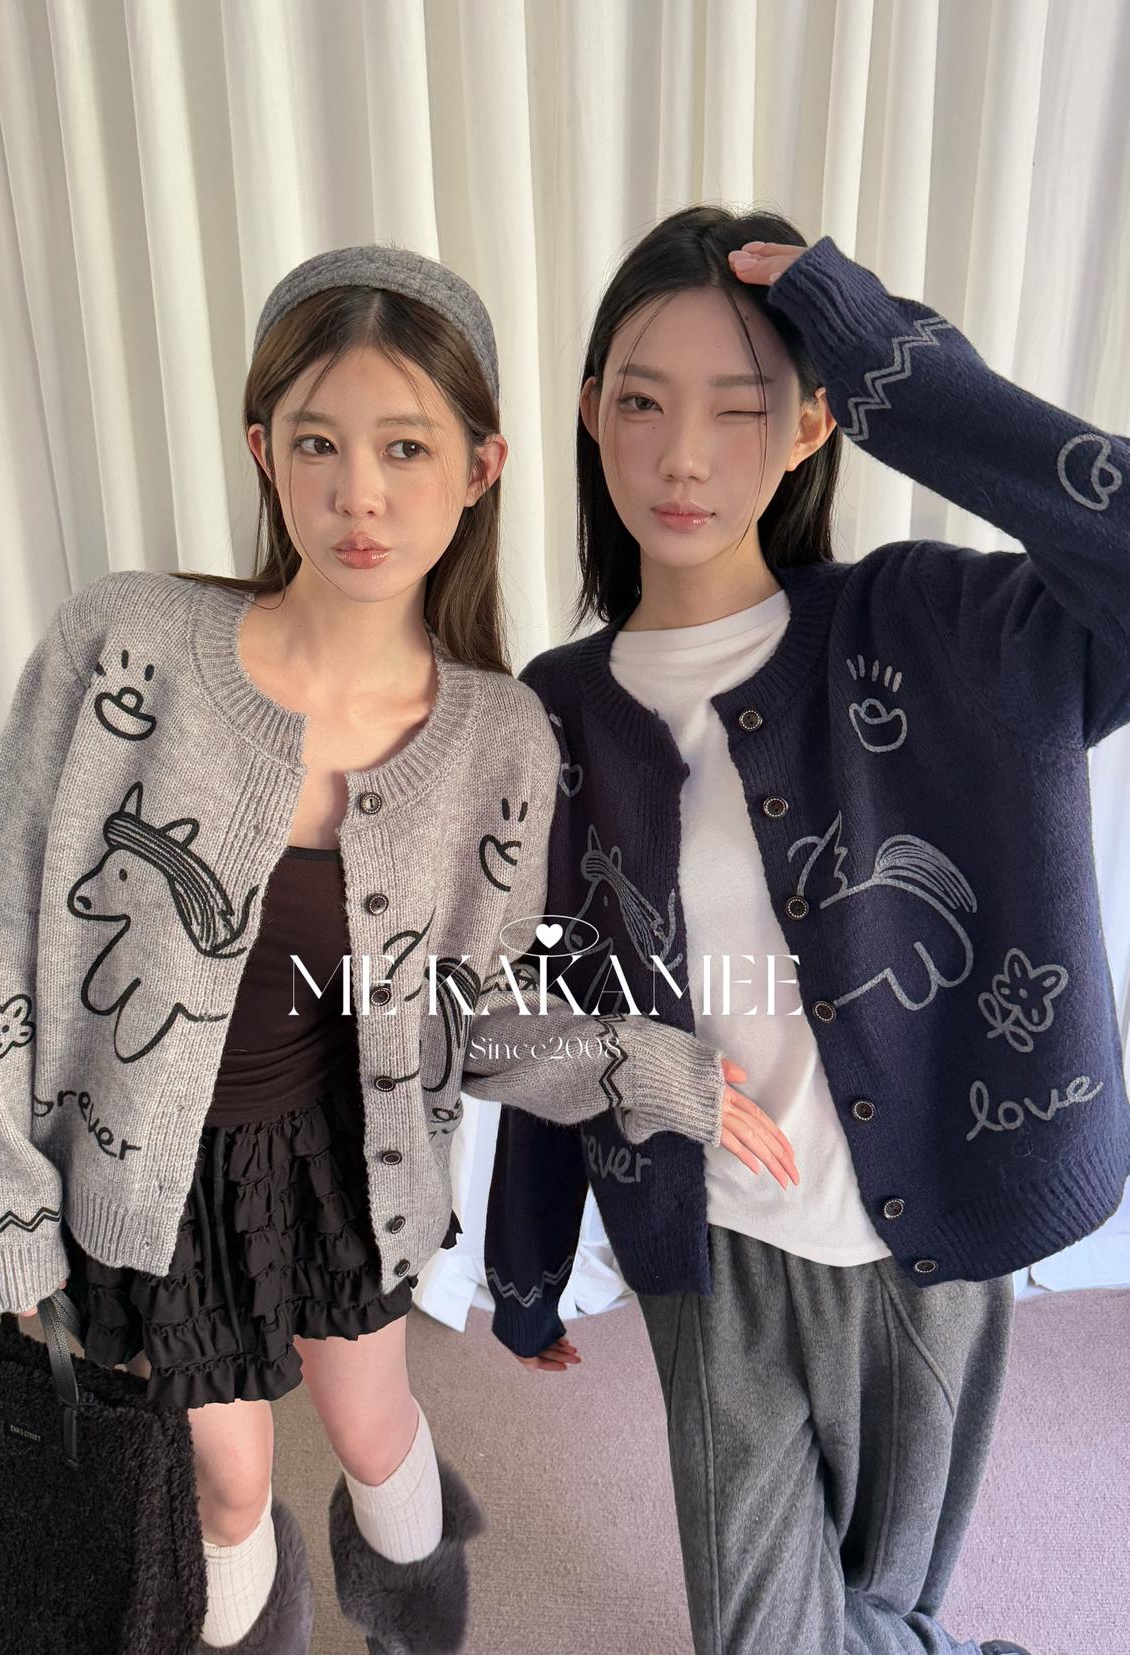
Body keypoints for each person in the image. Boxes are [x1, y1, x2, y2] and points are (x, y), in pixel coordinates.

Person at [0, 244, 794, 1655]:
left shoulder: (496, 737)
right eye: (318, 442)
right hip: (151, 1175)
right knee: (222, 1483)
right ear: (261, 448)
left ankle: (415, 1615)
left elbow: (477, 1009)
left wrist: (644, 1069)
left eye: (406, 447)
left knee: (374, 1425)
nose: (359, 493)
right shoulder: (127, 646)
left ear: (480, 468)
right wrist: (2, 1204)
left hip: (347, 1163)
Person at [484, 203, 1130, 1655]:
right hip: (706, 1245)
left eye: (741, 406)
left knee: (884, 1608)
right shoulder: (556, 706)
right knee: (766, 1637)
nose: (684, 456)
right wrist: (526, 1263)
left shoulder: (932, 631)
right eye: (642, 403)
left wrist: (901, 363)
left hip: (921, 1251)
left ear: (814, 424)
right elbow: (549, 1000)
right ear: (590, 415)